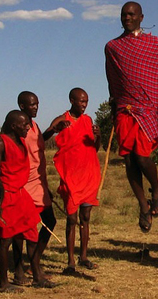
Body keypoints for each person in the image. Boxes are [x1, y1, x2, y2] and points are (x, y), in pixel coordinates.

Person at [105, 1, 158, 233]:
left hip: (150, 108)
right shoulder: (113, 47)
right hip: (125, 110)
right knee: (130, 160)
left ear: (142, 17)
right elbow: (111, 78)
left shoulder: (154, 43)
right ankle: (143, 206)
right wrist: (114, 103)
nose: (127, 18)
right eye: (124, 14)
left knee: (142, 157)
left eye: (132, 14)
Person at [48, 88, 101, 273]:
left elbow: (95, 147)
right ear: (72, 100)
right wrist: (55, 129)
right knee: (72, 218)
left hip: (88, 174)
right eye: (81, 101)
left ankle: (83, 256)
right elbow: (44, 137)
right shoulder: (62, 120)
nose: (84, 105)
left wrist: (99, 135)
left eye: (86, 101)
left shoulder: (87, 120)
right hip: (71, 176)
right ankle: (70, 261)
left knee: (85, 217)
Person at [0, 110, 42, 293]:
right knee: (6, 240)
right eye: (24, 124)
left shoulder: (20, 141)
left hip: (21, 195)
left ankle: (37, 276)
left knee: (32, 234)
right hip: (6, 196)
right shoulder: (0, 144)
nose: (28, 127)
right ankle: (3, 283)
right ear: (13, 126)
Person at [14, 91, 57, 285]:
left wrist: (53, 130)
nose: (36, 107)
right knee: (23, 229)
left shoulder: (35, 126)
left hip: (39, 182)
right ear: (22, 106)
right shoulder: (20, 128)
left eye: (37, 104)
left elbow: (39, 146)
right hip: (24, 184)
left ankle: (34, 263)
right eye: (32, 105)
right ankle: (19, 270)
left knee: (50, 220)